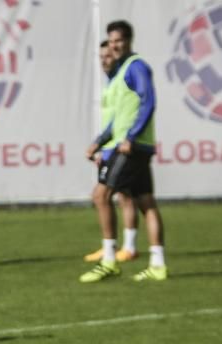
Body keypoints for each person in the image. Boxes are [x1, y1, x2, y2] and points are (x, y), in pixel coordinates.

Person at [81, 20, 168, 283]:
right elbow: (118, 117)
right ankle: (158, 264)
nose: (115, 45)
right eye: (111, 40)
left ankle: (109, 260)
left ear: (129, 40)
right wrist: (99, 141)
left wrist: (131, 137)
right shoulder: (120, 73)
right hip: (130, 144)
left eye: (119, 40)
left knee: (100, 195)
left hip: (130, 147)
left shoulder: (136, 67)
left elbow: (148, 101)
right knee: (146, 203)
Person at [84, 39, 139, 265]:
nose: (104, 60)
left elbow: (117, 121)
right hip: (110, 147)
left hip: (119, 146)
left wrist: (99, 143)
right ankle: (119, 246)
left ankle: (121, 248)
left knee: (109, 196)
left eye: (108, 56)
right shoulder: (111, 82)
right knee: (121, 197)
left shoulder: (122, 81)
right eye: (101, 57)